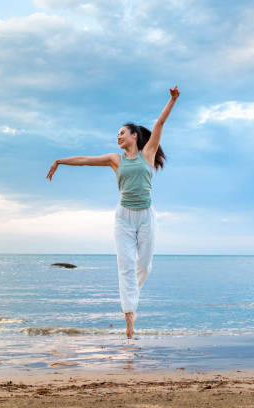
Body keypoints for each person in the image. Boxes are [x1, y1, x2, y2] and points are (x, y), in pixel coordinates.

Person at [46, 86, 180, 339]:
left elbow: (160, 122)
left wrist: (172, 100)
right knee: (125, 266)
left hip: (146, 216)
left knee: (145, 265)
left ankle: (132, 300)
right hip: (123, 218)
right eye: (117, 134)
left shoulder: (148, 153)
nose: (118, 137)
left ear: (134, 136)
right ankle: (129, 316)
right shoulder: (114, 159)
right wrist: (60, 160)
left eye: (122, 133)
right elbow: (85, 160)